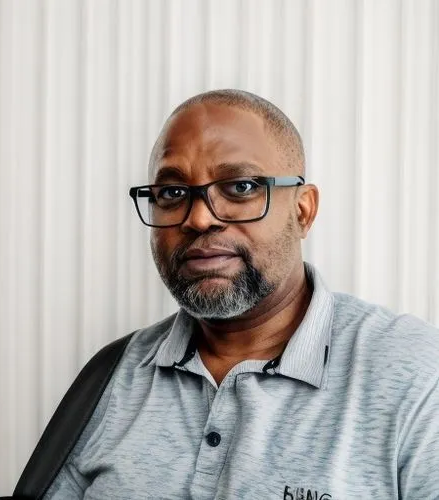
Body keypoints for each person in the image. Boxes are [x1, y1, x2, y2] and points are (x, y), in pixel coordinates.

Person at [44, 89, 439, 499]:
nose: (198, 218)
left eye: (241, 187)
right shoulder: (112, 376)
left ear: (303, 211)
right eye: (173, 194)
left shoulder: (417, 377)